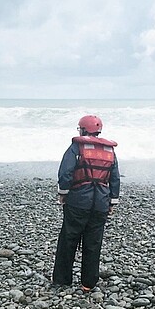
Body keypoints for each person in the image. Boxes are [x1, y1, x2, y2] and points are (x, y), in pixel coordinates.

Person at [52, 115, 121, 292]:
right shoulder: (109, 150)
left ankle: (62, 280)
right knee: (93, 242)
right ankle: (88, 283)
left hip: (78, 201)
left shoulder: (77, 147)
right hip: (101, 203)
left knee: (69, 239)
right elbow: (115, 178)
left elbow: (65, 172)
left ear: (83, 129)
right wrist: (112, 202)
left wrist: (63, 193)